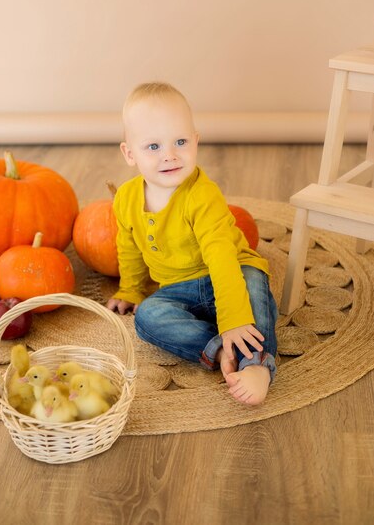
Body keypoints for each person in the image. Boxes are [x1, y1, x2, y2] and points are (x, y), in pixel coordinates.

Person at [107, 82, 278, 405]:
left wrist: (234, 319)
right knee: (148, 317)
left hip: (230, 270)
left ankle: (256, 363)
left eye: (180, 141)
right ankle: (218, 348)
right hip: (178, 287)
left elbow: (221, 258)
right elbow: (127, 246)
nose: (170, 155)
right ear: (130, 154)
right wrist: (131, 288)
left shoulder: (202, 196)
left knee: (254, 288)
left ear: (196, 141)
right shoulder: (126, 199)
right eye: (153, 147)